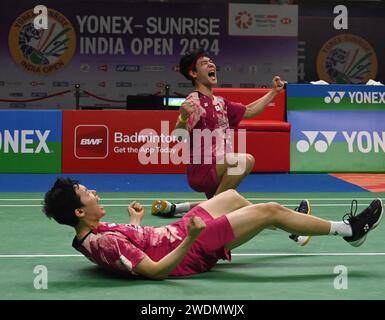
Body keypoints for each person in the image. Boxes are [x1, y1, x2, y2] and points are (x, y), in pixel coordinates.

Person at [43, 178, 383, 280]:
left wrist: (135, 223)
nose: (95, 193)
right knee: (269, 211)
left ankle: (293, 228)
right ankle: (349, 230)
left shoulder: (92, 233)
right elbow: (156, 271)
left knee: (232, 196)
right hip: (191, 247)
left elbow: (131, 248)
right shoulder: (103, 243)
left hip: (176, 233)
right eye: (88, 194)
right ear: (78, 210)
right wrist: (191, 236)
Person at [151, 48, 309, 244]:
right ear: (193, 73)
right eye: (204, 63)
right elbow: (178, 137)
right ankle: (213, 212)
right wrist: (183, 117)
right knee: (244, 161)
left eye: (211, 62)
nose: (211, 65)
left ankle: (293, 230)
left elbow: (249, 111)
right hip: (202, 168)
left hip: (218, 169)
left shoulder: (221, 103)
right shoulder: (194, 101)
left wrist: (274, 92)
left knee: (239, 206)